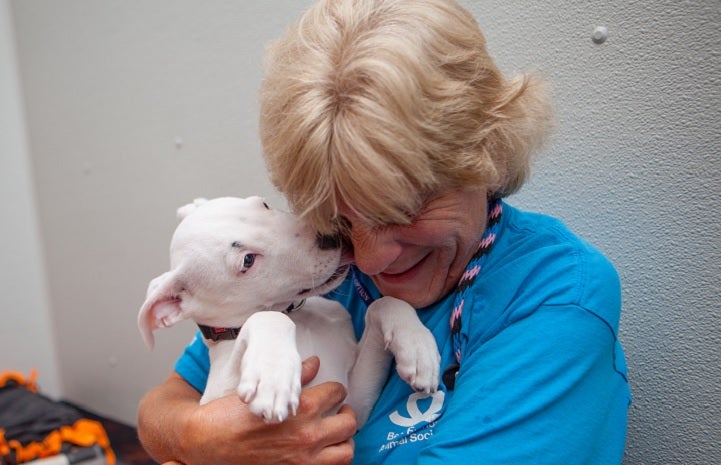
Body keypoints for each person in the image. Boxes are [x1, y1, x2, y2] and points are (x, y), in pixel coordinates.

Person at [137, 0, 631, 463]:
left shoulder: (554, 297)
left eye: (400, 209)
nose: (369, 261)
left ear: (485, 157)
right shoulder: (309, 272)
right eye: (340, 218)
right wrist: (196, 437)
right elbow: (166, 403)